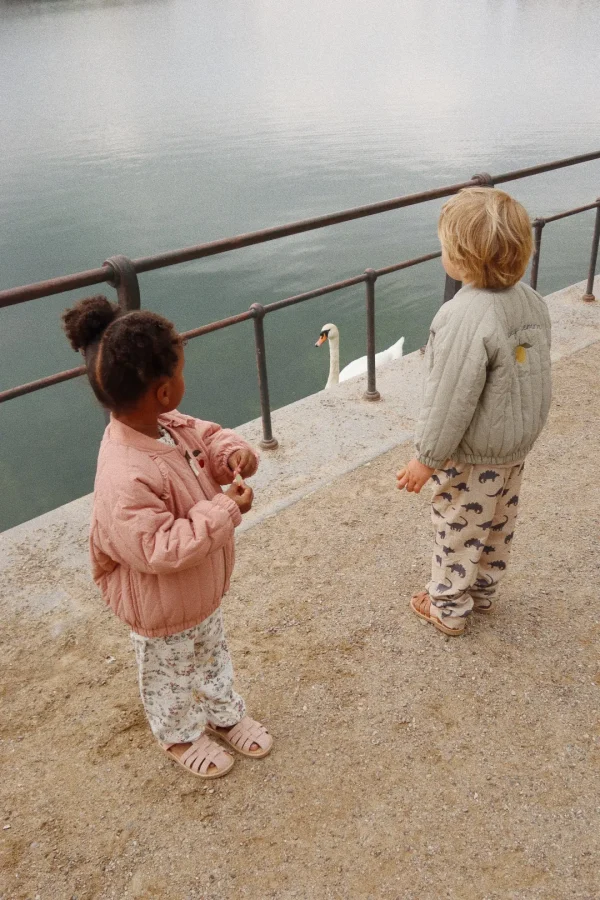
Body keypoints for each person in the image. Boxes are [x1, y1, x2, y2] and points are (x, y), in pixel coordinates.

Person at [62, 296, 272, 777]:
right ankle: (179, 735)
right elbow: (158, 548)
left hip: (197, 590)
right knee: (169, 676)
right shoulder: (123, 475)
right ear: (161, 390)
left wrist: (231, 455)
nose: (184, 380)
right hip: (158, 603)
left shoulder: (167, 425)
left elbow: (206, 437)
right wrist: (225, 508)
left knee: (211, 653)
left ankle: (223, 712)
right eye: (179, 371)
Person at [397, 187, 552, 636]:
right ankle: (482, 591)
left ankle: (447, 605)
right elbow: (534, 371)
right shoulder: (530, 301)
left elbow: (450, 400)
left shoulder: (462, 316)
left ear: (461, 257)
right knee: (499, 521)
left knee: (458, 525)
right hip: (513, 445)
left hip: (471, 453)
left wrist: (426, 458)